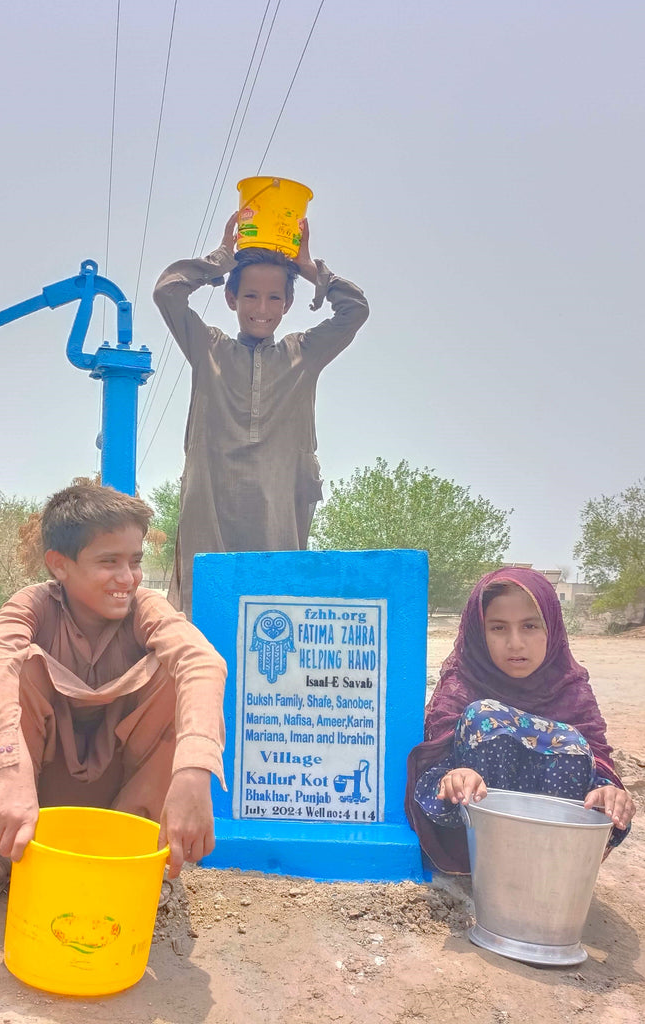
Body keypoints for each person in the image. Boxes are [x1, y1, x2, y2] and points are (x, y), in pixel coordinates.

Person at [0, 483, 226, 904]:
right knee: (14, 666)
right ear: (60, 565)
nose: (127, 578)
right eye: (108, 562)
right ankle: (2, 847)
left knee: (174, 670)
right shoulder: (35, 606)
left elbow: (202, 661)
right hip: (35, 792)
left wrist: (194, 771)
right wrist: (9, 772)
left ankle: (133, 849)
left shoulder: (146, 609)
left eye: (135, 562)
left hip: (123, 792)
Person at [153, 212, 369, 618]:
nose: (262, 308)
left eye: (274, 298)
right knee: (204, 613)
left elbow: (355, 310)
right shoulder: (209, 349)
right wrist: (220, 261)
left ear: (288, 304)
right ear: (231, 299)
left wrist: (309, 269)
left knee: (275, 610)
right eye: (250, 295)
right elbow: (168, 292)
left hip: (279, 506)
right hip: (211, 505)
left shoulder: (303, 352)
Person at [406, 566, 636, 873]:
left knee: (574, 745)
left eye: (530, 626)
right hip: (473, 844)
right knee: (483, 715)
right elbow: (431, 769)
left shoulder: (572, 691)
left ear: (551, 627)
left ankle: (548, 869)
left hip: (551, 855)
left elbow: (599, 763)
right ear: (479, 631)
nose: (515, 643)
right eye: (498, 628)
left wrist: (609, 793)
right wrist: (455, 778)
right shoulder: (460, 686)